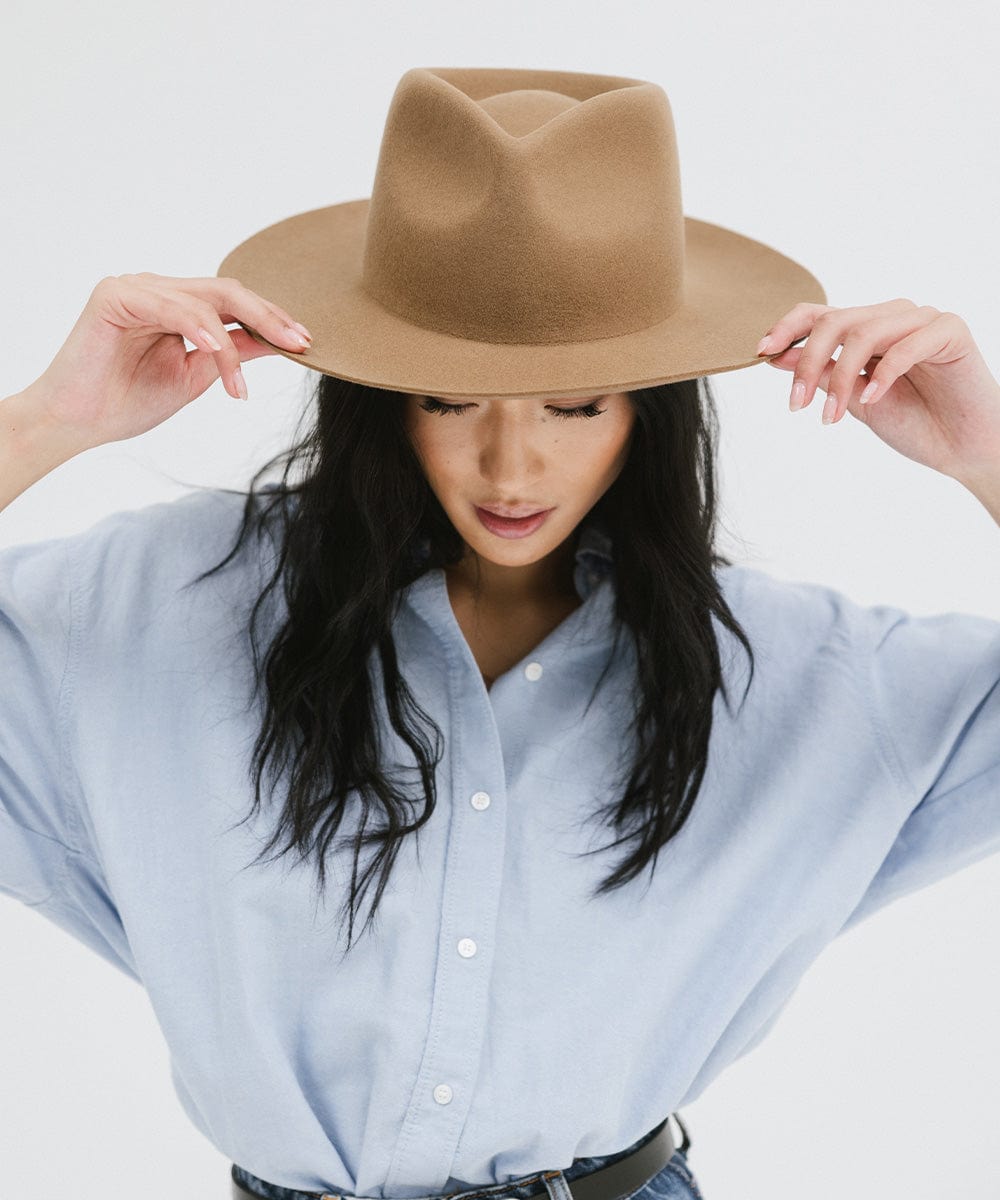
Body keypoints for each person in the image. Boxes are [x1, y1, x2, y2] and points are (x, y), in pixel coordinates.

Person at [2, 65, 1000, 1200]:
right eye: (448, 399)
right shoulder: (164, 603)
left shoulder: (796, 673)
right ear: (379, 398)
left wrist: (986, 454)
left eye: (574, 406)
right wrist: (44, 422)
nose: (510, 467)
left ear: (650, 410)